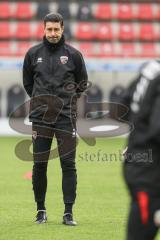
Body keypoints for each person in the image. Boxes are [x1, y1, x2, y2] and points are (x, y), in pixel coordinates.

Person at [23, 13, 88, 225]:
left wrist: (65, 102)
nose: (53, 33)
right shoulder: (32, 54)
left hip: (65, 119)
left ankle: (68, 212)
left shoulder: (74, 55)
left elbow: (82, 83)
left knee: (68, 165)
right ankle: (40, 210)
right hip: (40, 118)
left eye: (56, 29)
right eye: (49, 29)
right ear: (43, 29)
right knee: (39, 165)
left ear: (62, 29)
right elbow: (28, 84)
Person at [120, 60, 160, 240]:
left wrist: (138, 135)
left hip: (139, 166)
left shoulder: (151, 68)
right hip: (151, 172)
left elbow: (122, 108)